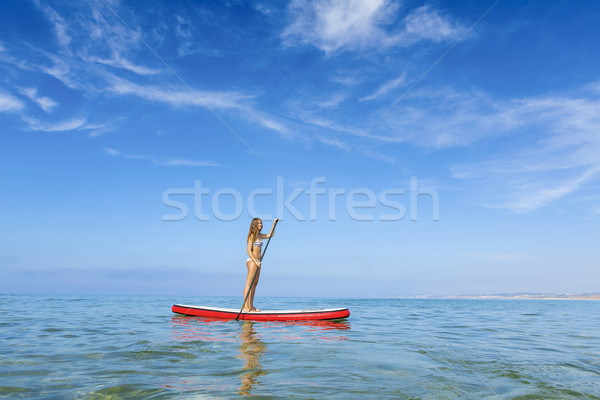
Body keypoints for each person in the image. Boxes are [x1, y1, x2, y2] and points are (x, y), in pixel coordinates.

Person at [242, 218, 278, 312]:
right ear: (254, 224)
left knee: (255, 283)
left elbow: (271, 235)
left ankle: (251, 306)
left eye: (261, 223)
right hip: (253, 261)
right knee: (249, 283)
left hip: (258, 261)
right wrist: (255, 261)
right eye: (258, 223)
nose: (260, 224)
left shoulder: (259, 235)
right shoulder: (252, 236)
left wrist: (274, 224)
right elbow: (249, 251)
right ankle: (246, 307)